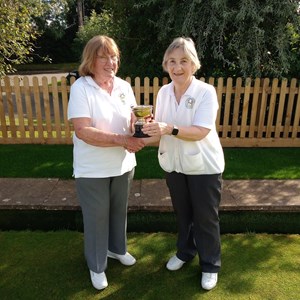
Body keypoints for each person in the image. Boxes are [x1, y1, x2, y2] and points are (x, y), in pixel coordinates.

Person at [142, 37, 225, 290]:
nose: (177, 67)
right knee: (183, 214)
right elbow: (160, 130)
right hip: (174, 165)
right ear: (166, 64)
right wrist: (136, 137)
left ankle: (210, 265)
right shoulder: (164, 92)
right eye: (172, 61)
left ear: (194, 64)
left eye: (184, 61)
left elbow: (200, 131)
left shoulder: (205, 92)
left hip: (203, 167)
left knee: (205, 217)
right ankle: (185, 252)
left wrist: (170, 128)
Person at [67, 35, 145, 291]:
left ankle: (117, 249)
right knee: (96, 216)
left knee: (118, 211)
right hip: (93, 167)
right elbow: (83, 131)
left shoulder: (123, 86)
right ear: (91, 59)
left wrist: (138, 126)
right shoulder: (81, 87)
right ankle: (97, 265)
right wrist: (123, 140)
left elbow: (131, 118)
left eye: (114, 57)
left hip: (123, 164)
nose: (111, 62)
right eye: (104, 57)